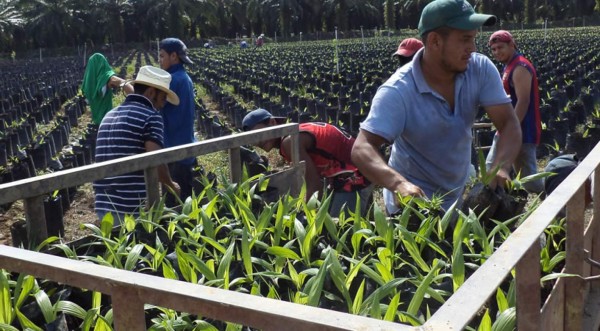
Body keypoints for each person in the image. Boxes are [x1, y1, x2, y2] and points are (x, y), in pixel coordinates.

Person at [351, 0, 522, 215]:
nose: (473, 48)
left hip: (457, 199)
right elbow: (362, 147)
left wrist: (501, 167)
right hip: (413, 208)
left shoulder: (479, 69)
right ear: (434, 41)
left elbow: (508, 123)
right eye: (465, 39)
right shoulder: (398, 91)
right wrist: (399, 184)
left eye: (474, 38)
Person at [242, 109, 372, 216]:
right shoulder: (293, 134)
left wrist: (301, 212)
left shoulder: (290, 142)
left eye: (258, 135)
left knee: (338, 230)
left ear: (272, 122)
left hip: (355, 175)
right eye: (253, 139)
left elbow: (315, 185)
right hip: (356, 169)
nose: (258, 142)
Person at [94, 65, 181, 224]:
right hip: (131, 208)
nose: (162, 105)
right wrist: (170, 185)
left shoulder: (109, 115)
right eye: (162, 99)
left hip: (103, 206)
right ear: (150, 93)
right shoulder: (151, 116)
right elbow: (155, 160)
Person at [486, 30, 544, 193]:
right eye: (494, 49)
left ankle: (558, 205)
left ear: (512, 45)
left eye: (500, 47)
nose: (497, 52)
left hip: (523, 131)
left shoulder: (520, 66)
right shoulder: (509, 66)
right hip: (508, 129)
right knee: (491, 169)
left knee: (530, 181)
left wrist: (512, 129)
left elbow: (523, 101)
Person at [158, 38, 197, 207]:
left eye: (161, 56)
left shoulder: (172, 80)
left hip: (173, 149)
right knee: (186, 200)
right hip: (186, 145)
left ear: (173, 56)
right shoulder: (184, 77)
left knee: (174, 204)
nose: (159, 61)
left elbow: (153, 104)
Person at [82, 53, 134, 126]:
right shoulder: (100, 79)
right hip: (106, 119)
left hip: (103, 120)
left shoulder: (105, 77)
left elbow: (124, 83)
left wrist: (136, 101)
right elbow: (125, 84)